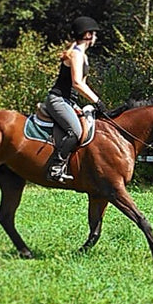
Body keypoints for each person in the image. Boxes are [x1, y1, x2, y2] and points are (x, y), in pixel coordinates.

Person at [45, 16, 107, 182]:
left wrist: (92, 103)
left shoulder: (83, 56)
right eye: (94, 34)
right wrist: (97, 101)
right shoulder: (76, 55)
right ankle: (56, 168)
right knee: (76, 131)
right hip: (57, 99)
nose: (95, 37)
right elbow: (77, 83)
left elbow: (83, 84)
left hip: (69, 101)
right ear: (87, 35)